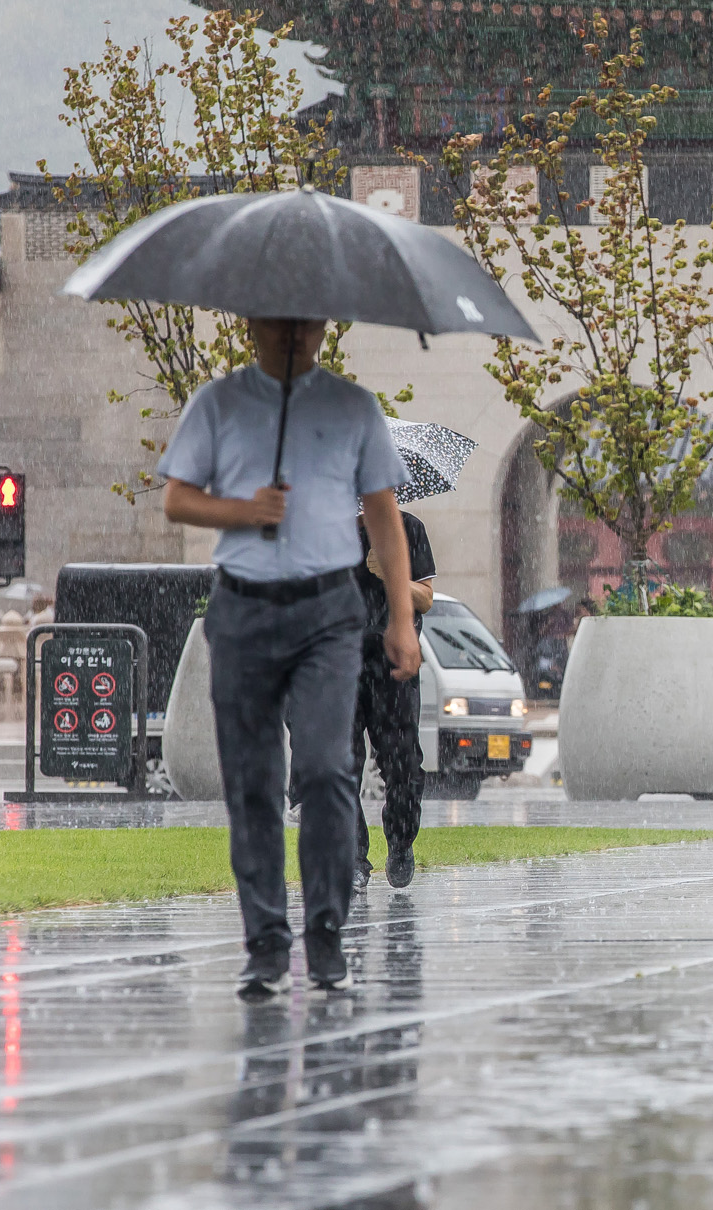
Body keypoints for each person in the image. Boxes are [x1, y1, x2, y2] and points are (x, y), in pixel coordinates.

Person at [160, 316, 417, 1000]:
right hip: (243, 608)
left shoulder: (353, 408)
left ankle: (326, 931)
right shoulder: (218, 404)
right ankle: (267, 939)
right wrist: (244, 510)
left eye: (309, 327)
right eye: (281, 326)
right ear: (252, 328)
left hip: (328, 613)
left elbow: (385, 517)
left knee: (327, 770)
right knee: (252, 782)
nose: (296, 337)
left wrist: (400, 616)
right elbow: (177, 498)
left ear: (326, 331)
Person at [350, 508, 436, 892]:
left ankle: (400, 842)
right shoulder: (326, 527)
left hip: (394, 666)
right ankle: (351, 857)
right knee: (340, 765)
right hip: (341, 663)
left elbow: (426, 599)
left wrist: (391, 572)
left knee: (403, 763)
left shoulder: (409, 528)